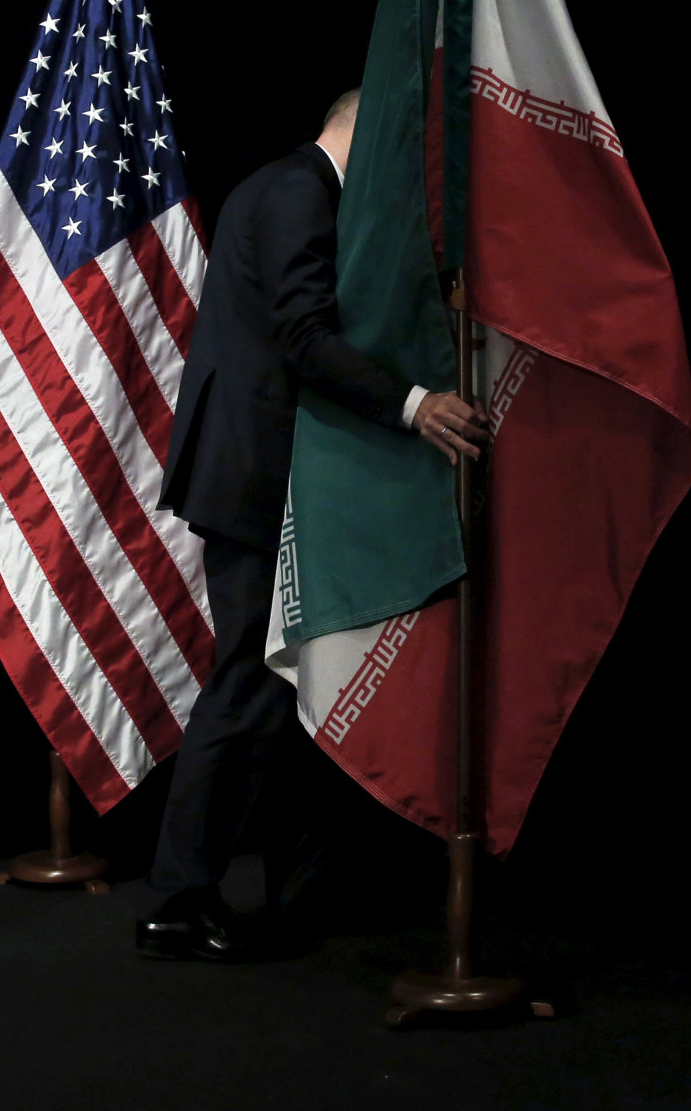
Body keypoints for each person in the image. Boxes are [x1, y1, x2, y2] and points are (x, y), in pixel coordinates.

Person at [136, 89, 488, 961]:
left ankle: (295, 885)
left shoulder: (285, 188)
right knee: (250, 689)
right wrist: (414, 404)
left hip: (265, 473)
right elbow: (302, 336)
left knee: (282, 693)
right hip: (255, 476)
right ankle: (175, 901)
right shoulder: (300, 191)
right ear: (359, 134)